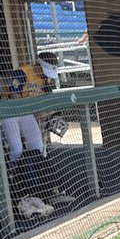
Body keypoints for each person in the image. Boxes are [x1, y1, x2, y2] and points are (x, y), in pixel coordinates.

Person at [0, 52, 73, 220]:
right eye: (43, 71)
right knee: (17, 149)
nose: (44, 76)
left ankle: (48, 189)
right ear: (38, 65)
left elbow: (46, 100)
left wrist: (47, 116)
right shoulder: (23, 72)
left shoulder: (45, 80)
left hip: (26, 112)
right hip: (9, 110)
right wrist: (36, 111)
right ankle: (15, 186)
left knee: (38, 146)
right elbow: (15, 94)